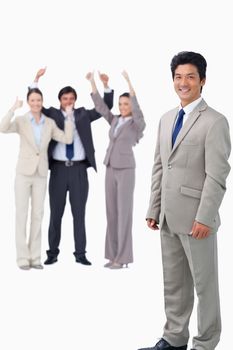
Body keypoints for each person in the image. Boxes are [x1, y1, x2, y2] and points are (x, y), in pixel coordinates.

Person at [139, 51, 231, 350]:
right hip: (167, 216)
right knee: (174, 284)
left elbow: (217, 174)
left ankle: (205, 343)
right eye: (178, 77)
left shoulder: (215, 122)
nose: (183, 82)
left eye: (190, 76)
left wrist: (205, 217)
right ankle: (174, 338)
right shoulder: (166, 119)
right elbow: (158, 166)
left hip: (196, 219)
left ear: (202, 81)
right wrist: (154, 208)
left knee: (205, 286)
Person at [31, 68, 114, 266]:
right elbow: (35, 105)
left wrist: (104, 85)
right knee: (56, 214)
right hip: (58, 170)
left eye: (71, 99)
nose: (68, 102)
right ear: (60, 100)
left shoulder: (83, 114)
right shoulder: (51, 114)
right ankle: (52, 253)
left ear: (75, 100)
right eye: (65, 99)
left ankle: (80, 254)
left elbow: (105, 108)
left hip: (78, 171)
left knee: (79, 214)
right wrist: (36, 80)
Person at [0, 88, 73, 270]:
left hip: (41, 173)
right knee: (22, 215)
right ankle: (22, 258)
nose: (36, 103)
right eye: (32, 100)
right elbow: (2, 127)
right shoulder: (22, 120)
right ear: (28, 101)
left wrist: (70, 117)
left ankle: (35, 257)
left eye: (38, 100)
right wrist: (13, 108)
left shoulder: (49, 123)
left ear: (42, 102)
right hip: (23, 173)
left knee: (38, 215)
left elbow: (67, 138)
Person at [87, 71, 146, 269]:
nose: (122, 107)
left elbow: (137, 111)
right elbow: (102, 108)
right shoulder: (115, 120)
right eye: (121, 104)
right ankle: (112, 256)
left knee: (124, 214)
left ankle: (122, 259)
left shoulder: (137, 124)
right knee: (111, 213)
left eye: (126, 104)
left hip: (126, 170)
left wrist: (130, 83)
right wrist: (93, 83)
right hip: (110, 167)